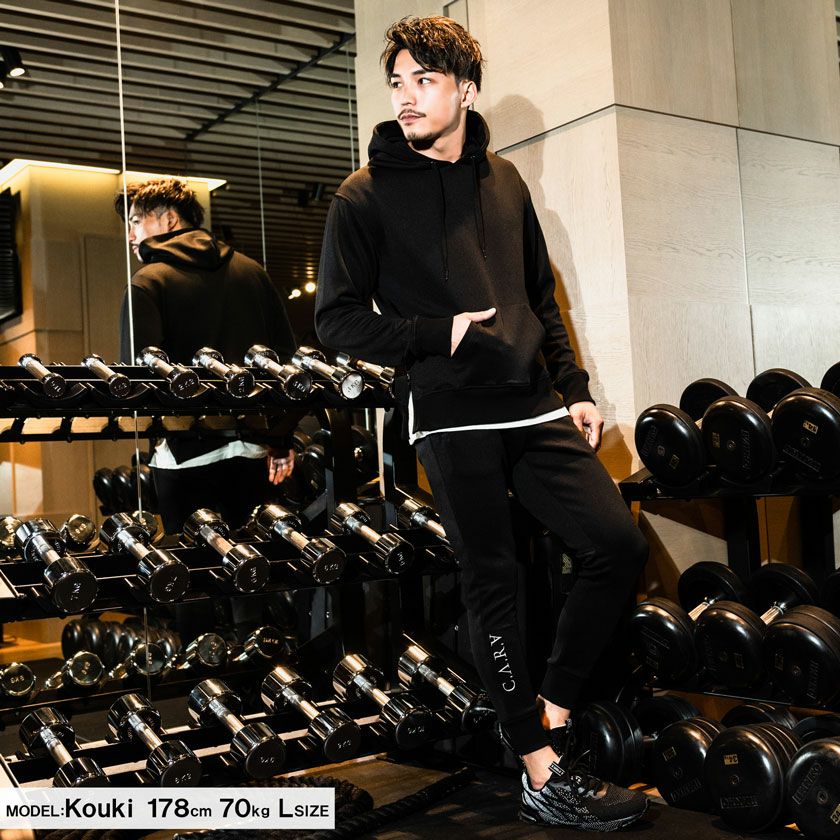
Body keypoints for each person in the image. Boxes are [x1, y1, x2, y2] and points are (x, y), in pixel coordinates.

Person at [315, 16, 649, 831]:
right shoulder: (363, 195)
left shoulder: (503, 180)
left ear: (464, 89)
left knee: (615, 544)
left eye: (424, 81)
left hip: (530, 400)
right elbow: (336, 321)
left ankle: (548, 715)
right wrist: (438, 334)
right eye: (398, 83)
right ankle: (539, 772)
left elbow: (539, 295)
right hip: (449, 412)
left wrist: (573, 385)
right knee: (493, 580)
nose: (406, 97)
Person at [117, 178, 297, 533]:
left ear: (169, 219)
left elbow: (136, 382)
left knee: (196, 566)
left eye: (136, 221)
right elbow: (287, 366)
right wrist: (280, 440)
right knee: (255, 560)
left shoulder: (146, 283)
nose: (130, 235)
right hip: (253, 453)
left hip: (182, 458)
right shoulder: (253, 273)